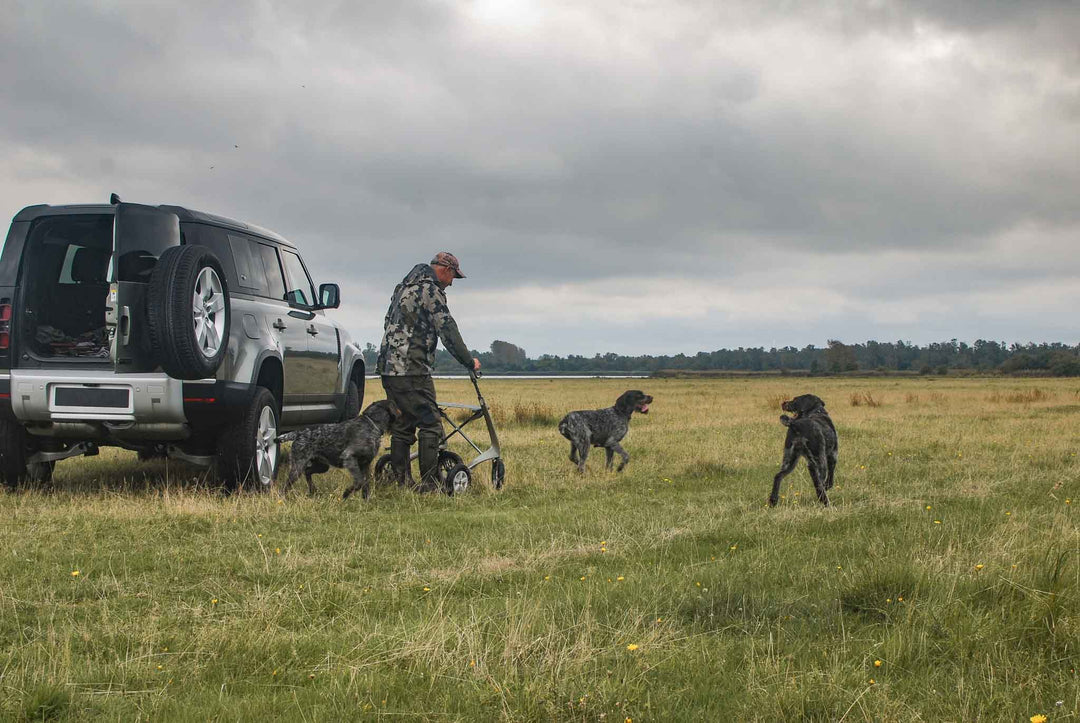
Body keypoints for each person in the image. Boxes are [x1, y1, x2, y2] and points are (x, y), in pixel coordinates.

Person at [376, 252, 480, 491]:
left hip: (388, 368)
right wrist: (468, 361)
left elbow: (387, 323)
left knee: (403, 423)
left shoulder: (402, 288)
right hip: (412, 370)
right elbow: (448, 330)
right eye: (453, 276)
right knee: (431, 423)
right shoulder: (430, 291)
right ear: (446, 269)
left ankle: (401, 481)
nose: (452, 283)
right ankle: (431, 483)